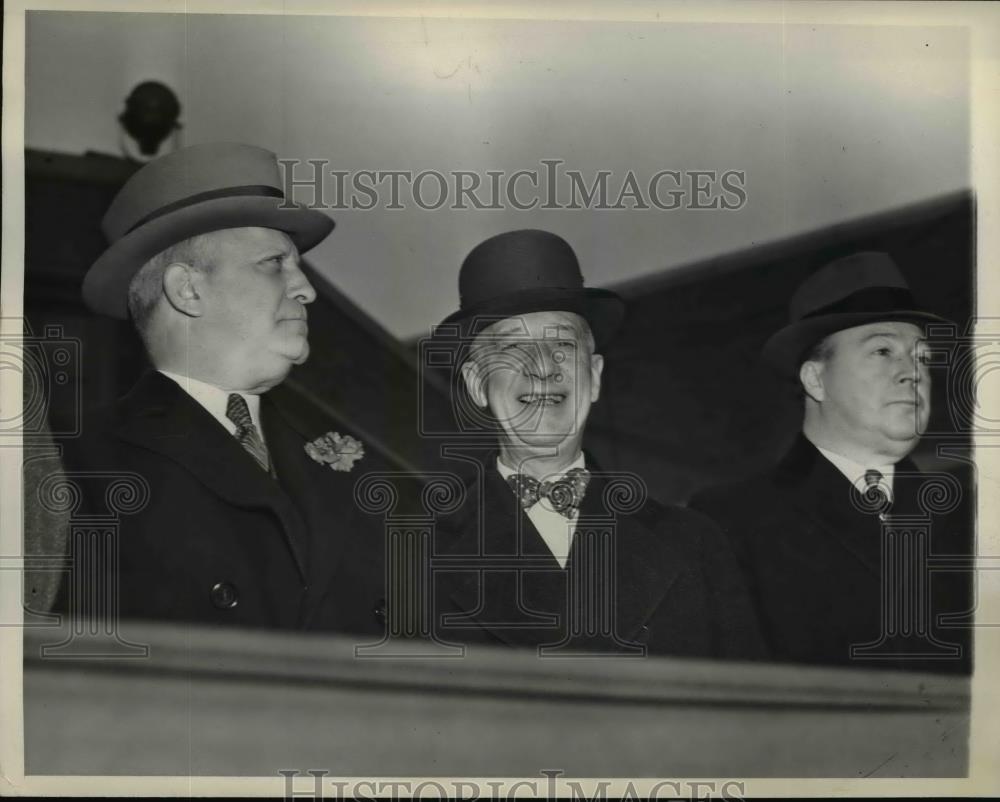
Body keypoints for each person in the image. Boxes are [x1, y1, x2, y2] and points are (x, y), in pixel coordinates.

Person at [58, 142, 384, 634]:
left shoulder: (343, 460)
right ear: (188, 290)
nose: (306, 289)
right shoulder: (75, 467)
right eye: (274, 263)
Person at [431, 229, 765, 658]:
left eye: (561, 345)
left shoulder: (695, 543)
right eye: (514, 347)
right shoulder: (419, 553)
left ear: (595, 377)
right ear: (478, 385)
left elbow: (754, 717)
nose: (542, 369)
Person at [690, 251, 972, 672]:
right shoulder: (730, 523)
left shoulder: (971, 519)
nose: (912, 372)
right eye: (882, 351)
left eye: (921, 356)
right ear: (815, 379)